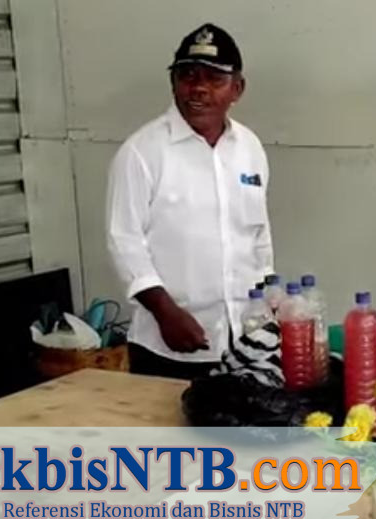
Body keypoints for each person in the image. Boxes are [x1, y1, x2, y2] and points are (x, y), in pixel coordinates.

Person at [106, 24, 277, 381]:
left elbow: (258, 237)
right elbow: (124, 241)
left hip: (244, 343)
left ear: (237, 88)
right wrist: (165, 313)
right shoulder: (142, 152)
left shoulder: (249, 147)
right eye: (188, 76)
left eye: (215, 79)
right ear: (173, 83)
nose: (199, 88)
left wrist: (270, 304)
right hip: (169, 344)